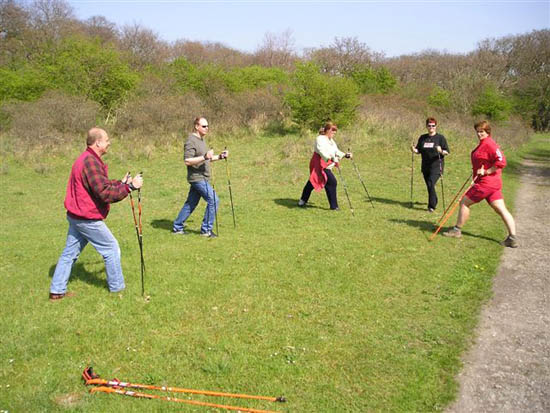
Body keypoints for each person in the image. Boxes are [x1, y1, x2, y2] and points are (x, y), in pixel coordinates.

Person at [49, 127, 143, 301]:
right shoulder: (90, 162)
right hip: (86, 218)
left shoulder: (88, 159)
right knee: (111, 248)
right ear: (98, 142)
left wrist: (121, 183)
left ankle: (56, 290)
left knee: (69, 253)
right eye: (106, 140)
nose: (109, 143)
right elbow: (104, 193)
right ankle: (117, 289)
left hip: (77, 216)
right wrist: (130, 187)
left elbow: (102, 184)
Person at [443, 120, 518, 248]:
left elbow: (501, 162)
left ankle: (457, 230)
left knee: (464, 202)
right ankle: (512, 238)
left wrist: (486, 171)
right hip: (493, 185)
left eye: (481, 131)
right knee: (500, 209)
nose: (479, 134)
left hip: (486, 184)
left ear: (487, 132)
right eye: (477, 132)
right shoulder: (484, 143)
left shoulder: (490, 144)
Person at [173, 117, 228, 238]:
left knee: (191, 203)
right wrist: (204, 156)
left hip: (202, 177)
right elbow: (187, 161)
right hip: (197, 178)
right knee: (214, 200)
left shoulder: (202, 140)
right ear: (196, 126)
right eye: (204, 126)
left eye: (207, 126)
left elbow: (206, 158)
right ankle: (206, 230)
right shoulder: (191, 141)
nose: (206, 128)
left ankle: (177, 226)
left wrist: (220, 156)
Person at [298, 122, 352, 210]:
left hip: (327, 164)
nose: (334, 133)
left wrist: (345, 155)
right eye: (332, 131)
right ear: (327, 130)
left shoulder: (331, 140)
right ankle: (334, 206)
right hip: (318, 163)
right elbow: (321, 151)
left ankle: (303, 200)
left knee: (314, 181)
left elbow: (336, 150)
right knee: (331, 181)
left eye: (335, 131)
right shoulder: (320, 139)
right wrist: (330, 158)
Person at [411, 117, 450, 212]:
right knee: (429, 185)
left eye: (433, 126)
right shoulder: (423, 138)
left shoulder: (440, 138)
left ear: (436, 126)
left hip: (436, 166)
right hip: (425, 166)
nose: (431, 127)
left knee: (430, 183)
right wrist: (413, 150)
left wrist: (440, 151)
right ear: (426, 126)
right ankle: (434, 200)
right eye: (429, 126)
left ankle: (431, 206)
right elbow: (418, 150)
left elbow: (447, 152)